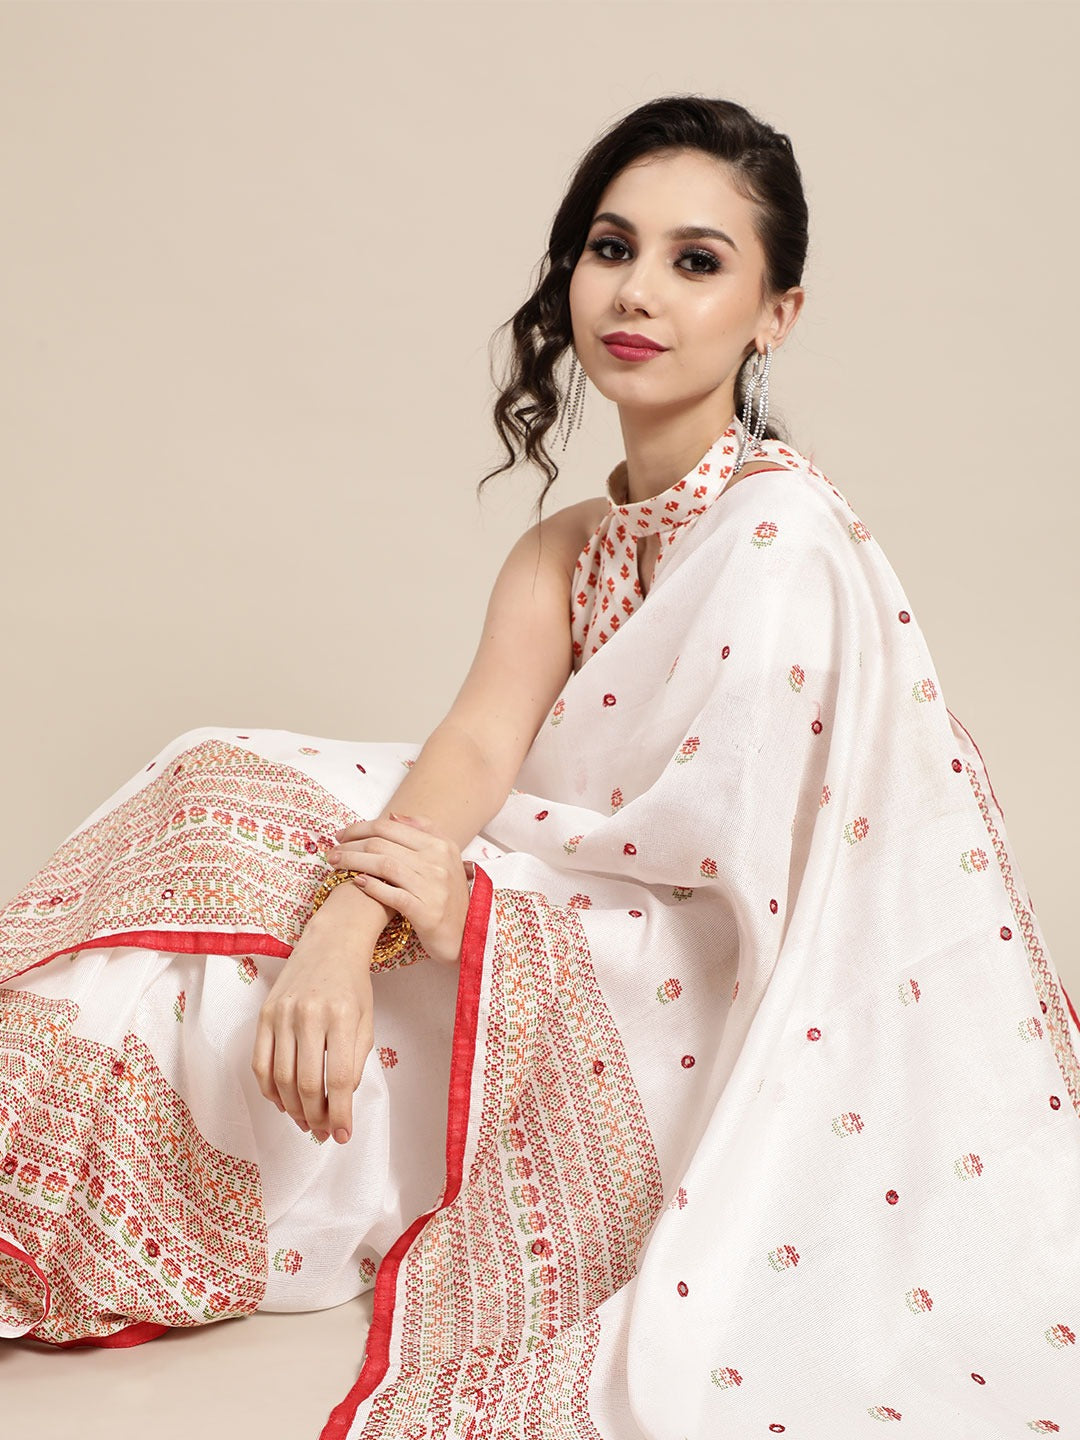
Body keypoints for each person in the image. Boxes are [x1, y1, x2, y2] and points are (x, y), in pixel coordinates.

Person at [2, 93, 1077, 1439]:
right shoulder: (569, 546)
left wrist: (484, 920)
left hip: (678, 995)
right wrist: (351, 921)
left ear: (775, 314)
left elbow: (745, 911)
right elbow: (473, 748)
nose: (637, 291)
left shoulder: (783, 541)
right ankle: (29, 1195)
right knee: (217, 779)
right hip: (540, 895)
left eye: (697, 261)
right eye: (610, 246)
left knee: (304, 886)